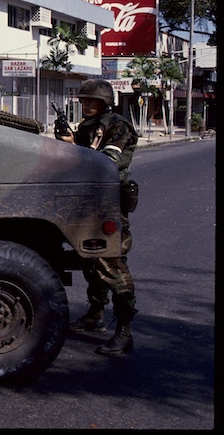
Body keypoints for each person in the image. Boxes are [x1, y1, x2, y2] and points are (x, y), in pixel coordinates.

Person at [57, 78, 139, 355]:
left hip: (108, 203)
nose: (86, 104)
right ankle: (95, 315)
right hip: (87, 202)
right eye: (84, 100)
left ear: (105, 102)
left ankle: (125, 332)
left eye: (92, 101)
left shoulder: (118, 126)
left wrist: (77, 150)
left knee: (112, 266)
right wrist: (68, 142)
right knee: (91, 263)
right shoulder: (89, 127)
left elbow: (106, 163)